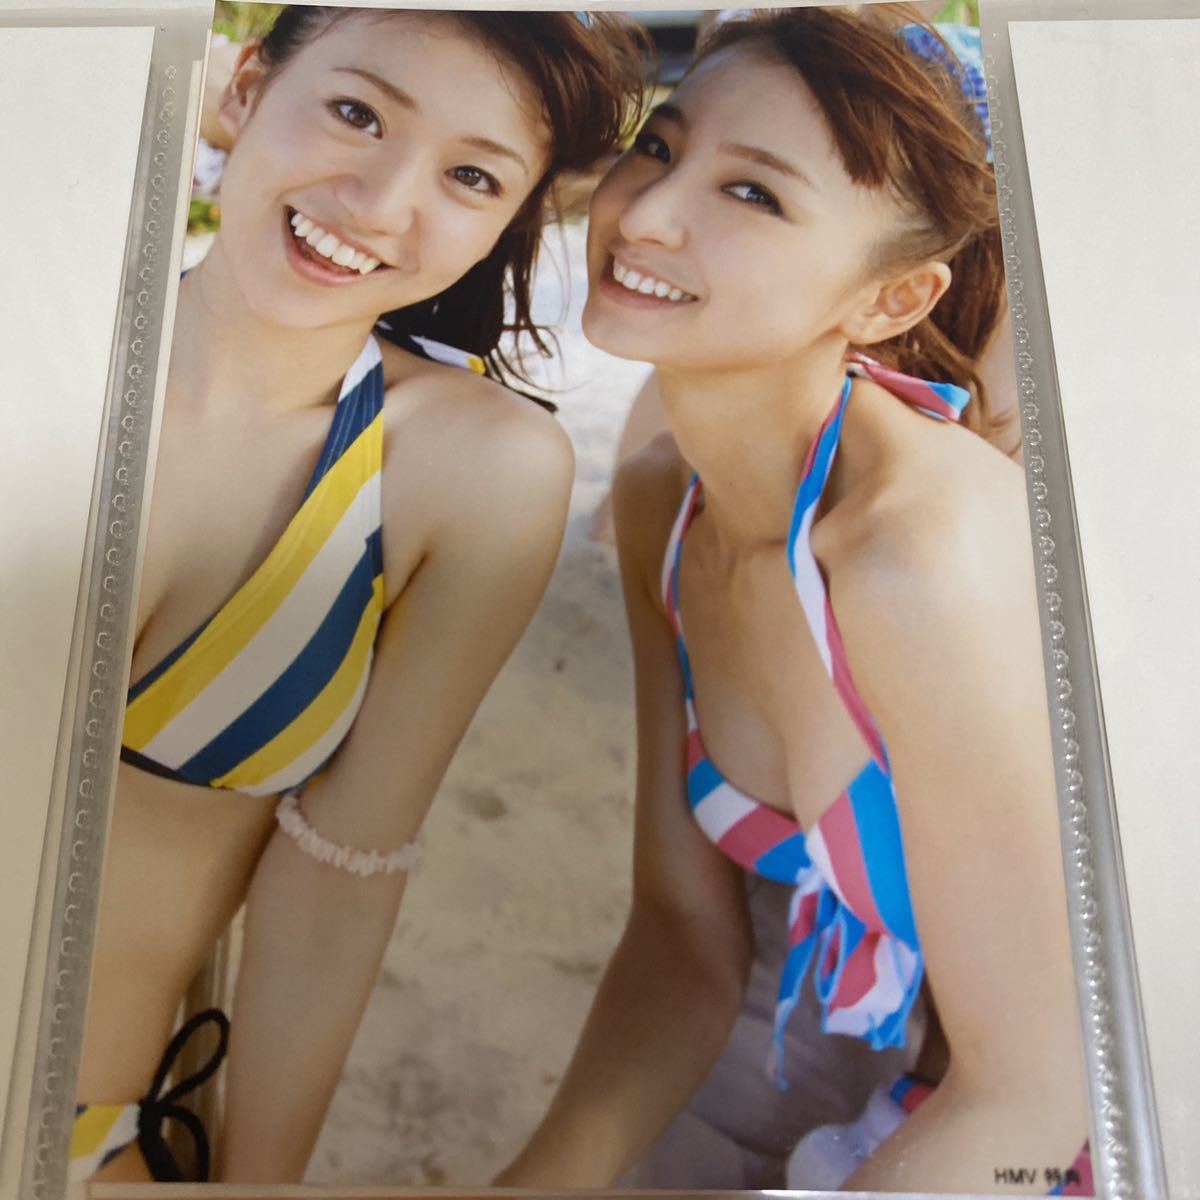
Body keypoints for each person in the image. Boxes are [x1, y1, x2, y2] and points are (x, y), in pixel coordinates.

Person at [498, 7, 1091, 1193]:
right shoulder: (662, 502)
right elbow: (683, 936)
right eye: (660, 146)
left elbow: (1040, 1096)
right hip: (883, 1081)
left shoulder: (915, 552)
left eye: (754, 194)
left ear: (890, 301)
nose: (646, 214)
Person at [70, 6, 644, 1183]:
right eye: (355, 112)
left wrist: (262, 1183)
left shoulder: (473, 474)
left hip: (75, 1138)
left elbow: (339, 878)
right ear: (244, 90)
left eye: (472, 175)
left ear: (506, 224)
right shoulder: (40, 337)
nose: (380, 204)